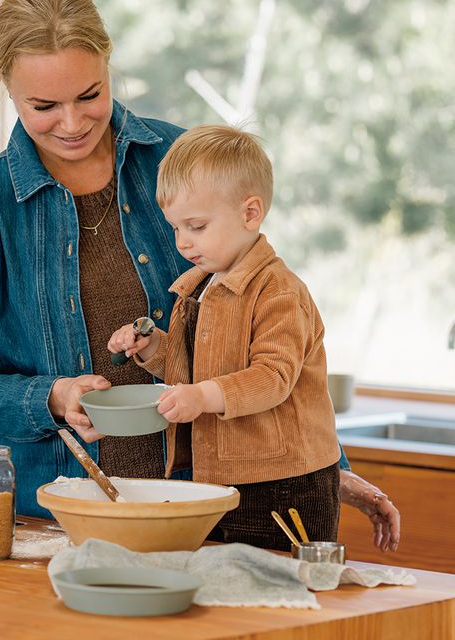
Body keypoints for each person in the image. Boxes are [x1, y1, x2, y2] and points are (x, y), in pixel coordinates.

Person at [0, 0, 400, 552]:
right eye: (43, 106)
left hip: (209, 505)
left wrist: (323, 466)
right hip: (62, 517)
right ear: (7, 87)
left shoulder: (183, 163)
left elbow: (267, 323)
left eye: (89, 95)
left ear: (108, 64)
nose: (72, 123)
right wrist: (53, 397)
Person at [108, 125, 342, 549]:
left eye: (196, 226)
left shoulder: (280, 292)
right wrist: (153, 346)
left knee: (275, 584)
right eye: (176, 228)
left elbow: (272, 377)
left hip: (285, 485)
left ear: (250, 214)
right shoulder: (198, 286)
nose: (183, 243)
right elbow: (193, 363)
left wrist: (201, 397)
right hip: (219, 477)